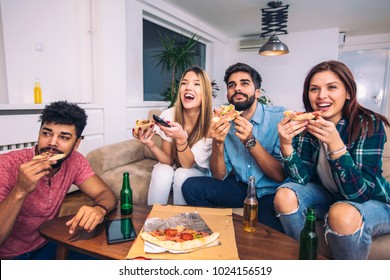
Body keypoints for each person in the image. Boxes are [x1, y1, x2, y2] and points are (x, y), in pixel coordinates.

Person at [274, 60, 390, 259]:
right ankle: (305, 259)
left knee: (341, 213)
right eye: (314, 89)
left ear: (348, 93)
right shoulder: (308, 124)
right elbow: (301, 179)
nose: (321, 96)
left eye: (332, 87)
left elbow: (359, 195)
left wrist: (336, 146)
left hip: (373, 202)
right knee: (284, 195)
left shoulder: (370, 125)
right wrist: (285, 145)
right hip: (327, 194)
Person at [0, 101, 117, 260]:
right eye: (46, 133)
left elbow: (106, 194)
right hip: (11, 256)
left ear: (76, 144)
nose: (52, 143)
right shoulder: (6, 165)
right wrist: (19, 191)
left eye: (64, 137)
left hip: (48, 243)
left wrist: (99, 209)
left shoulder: (75, 161)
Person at [182, 62, 287, 232]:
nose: (237, 88)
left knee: (262, 233)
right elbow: (218, 175)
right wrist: (217, 142)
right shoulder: (225, 120)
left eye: (244, 83)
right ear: (228, 94)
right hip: (241, 187)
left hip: (270, 191)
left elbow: (280, 175)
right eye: (232, 85)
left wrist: (250, 141)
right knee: (191, 186)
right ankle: (212, 233)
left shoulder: (279, 118)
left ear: (257, 92)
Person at [133, 66, 213, 205]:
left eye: (196, 84)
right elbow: (169, 161)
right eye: (184, 83)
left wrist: (181, 137)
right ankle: (153, 220)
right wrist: (151, 145)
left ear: (205, 92)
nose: (188, 87)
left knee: (182, 174)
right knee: (162, 170)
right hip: (177, 167)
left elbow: (187, 165)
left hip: (200, 173)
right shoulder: (169, 114)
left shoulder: (212, 122)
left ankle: (181, 224)